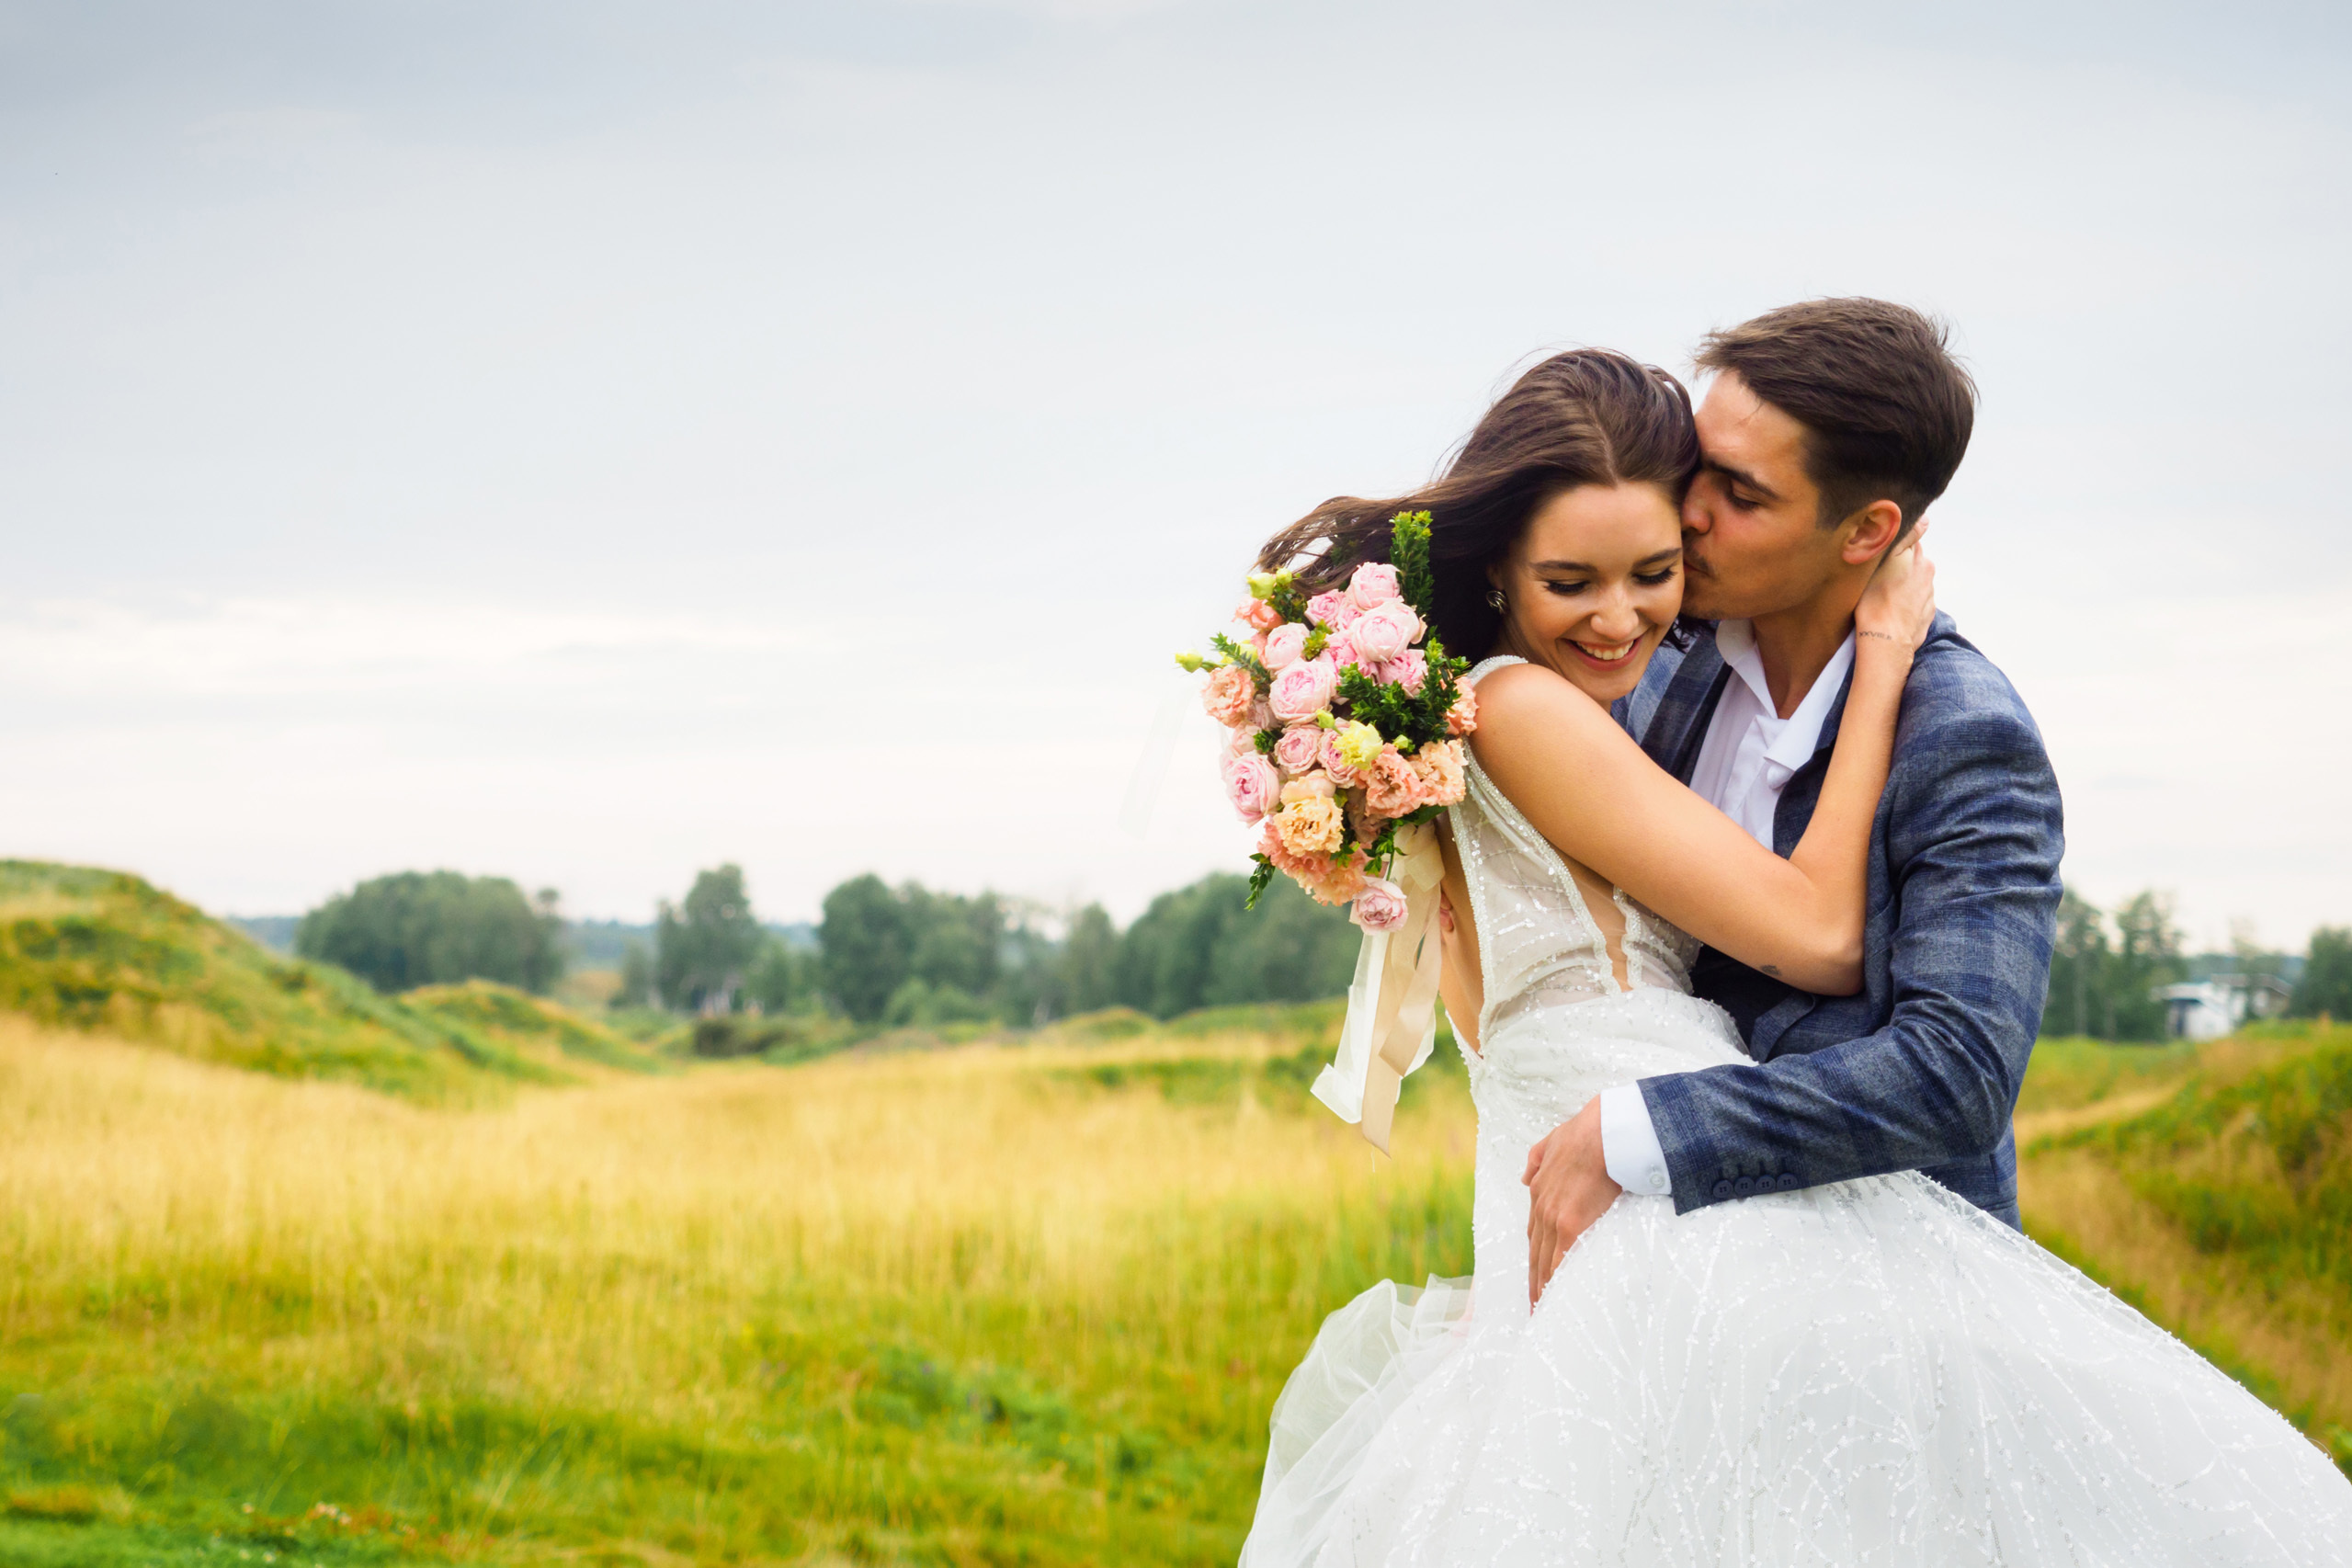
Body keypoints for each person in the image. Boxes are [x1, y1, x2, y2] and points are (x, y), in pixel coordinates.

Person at [1236, 340, 2352, 1565]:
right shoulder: (1583, 698)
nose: (1669, 559)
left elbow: (1958, 1068)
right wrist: (1875, 666)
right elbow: (1799, 937)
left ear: (1867, 530)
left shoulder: (1950, 729)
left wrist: (1884, 674)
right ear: (1505, 564)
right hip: (1646, 1232)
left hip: (1765, 1238)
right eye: (1583, 575)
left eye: (1707, 520)